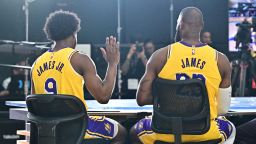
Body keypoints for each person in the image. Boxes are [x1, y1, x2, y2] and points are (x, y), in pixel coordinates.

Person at [130, 7, 235, 143]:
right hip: (205, 132)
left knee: (133, 131)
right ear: (201, 26)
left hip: (166, 132)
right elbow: (222, 109)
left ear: (180, 25)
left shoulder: (160, 56)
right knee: (231, 127)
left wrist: (169, 97)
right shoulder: (220, 60)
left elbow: (142, 99)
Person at [30, 10, 126, 144]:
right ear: (73, 33)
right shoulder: (79, 59)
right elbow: (103, 97)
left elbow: (37, 104)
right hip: (76, 128)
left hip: (48, 131)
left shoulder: (36, 63)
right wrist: (112, 64)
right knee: (121, 132)